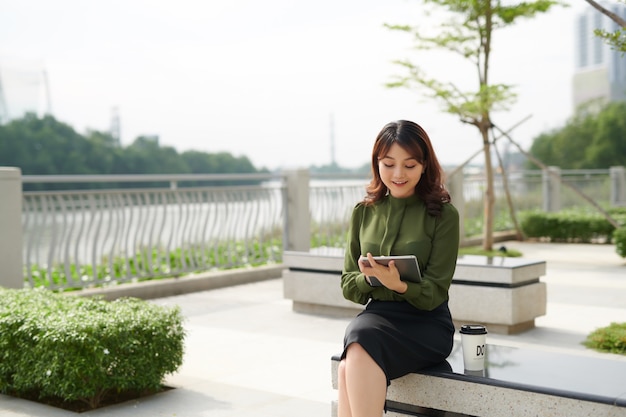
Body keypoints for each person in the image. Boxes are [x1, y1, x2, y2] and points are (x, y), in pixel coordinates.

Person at [337, 120, 459, 417]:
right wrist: (371, 279)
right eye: (388, 164)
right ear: (377, 163)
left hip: (427, 323)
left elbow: (435, 292)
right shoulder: (363, 212)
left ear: (424, 165)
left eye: (409, 165)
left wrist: (399, 284)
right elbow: (348, 285)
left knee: (355, 351)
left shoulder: (443, 215)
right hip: (378, 316)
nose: (398, 174)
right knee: (352, 354)